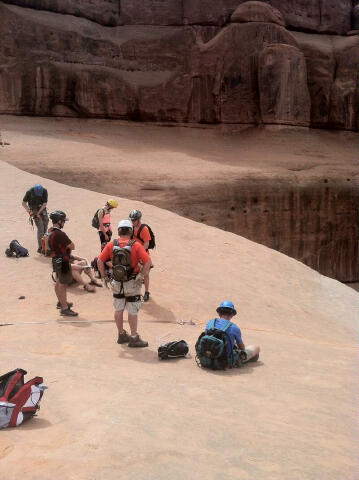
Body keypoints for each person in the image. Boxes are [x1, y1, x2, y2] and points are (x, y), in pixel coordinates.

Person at [97, 219, 151, 347]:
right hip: (132, 282)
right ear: (131, 231)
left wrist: (104, 277)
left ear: (119, 231)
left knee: (118, 308)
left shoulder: (111, 244)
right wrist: (141, 275)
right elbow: (148, 262)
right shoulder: (136, 245)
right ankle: (133, 337)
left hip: (117, 282)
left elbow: (100, 261)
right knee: (132, 309)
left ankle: (121, 334)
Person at [206, 301, 260, 367]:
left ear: (219, 313)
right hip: (225, 361)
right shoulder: (235, 328)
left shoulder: (210, 323)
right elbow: (241, 348)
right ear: (232, 315)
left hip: (207, 357)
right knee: (256, 347)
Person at [49, 210, 78, 317]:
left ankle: (61, 302)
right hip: (63, 262)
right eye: (63, 221)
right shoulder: (60, 234)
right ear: (59, 221)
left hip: (55, 260)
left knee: (58, 282)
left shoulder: (50, 231)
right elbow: (72, 246)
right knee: (63, 284)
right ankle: (64, 308)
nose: (64, 223)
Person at [129, 209, 152, 302]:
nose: (132, 221)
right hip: (134, 253)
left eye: (134, 220)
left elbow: (146, 244)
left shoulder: (144, 229)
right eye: (131, 220)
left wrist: (139, 254)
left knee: (145, 274)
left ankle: (146, 292)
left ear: (139, 219)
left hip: (142, 254)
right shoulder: (131, 227)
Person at [22, 184, 49, 253]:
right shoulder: (29, 192)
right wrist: (30, 212)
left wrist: (39, 213)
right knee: (40, 227)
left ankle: (45, 244)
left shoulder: (44, 191)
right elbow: (23, 203)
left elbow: (44, 204)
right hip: (33, 208)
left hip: (42, 208)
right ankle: (40, 248)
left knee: (46, 223)